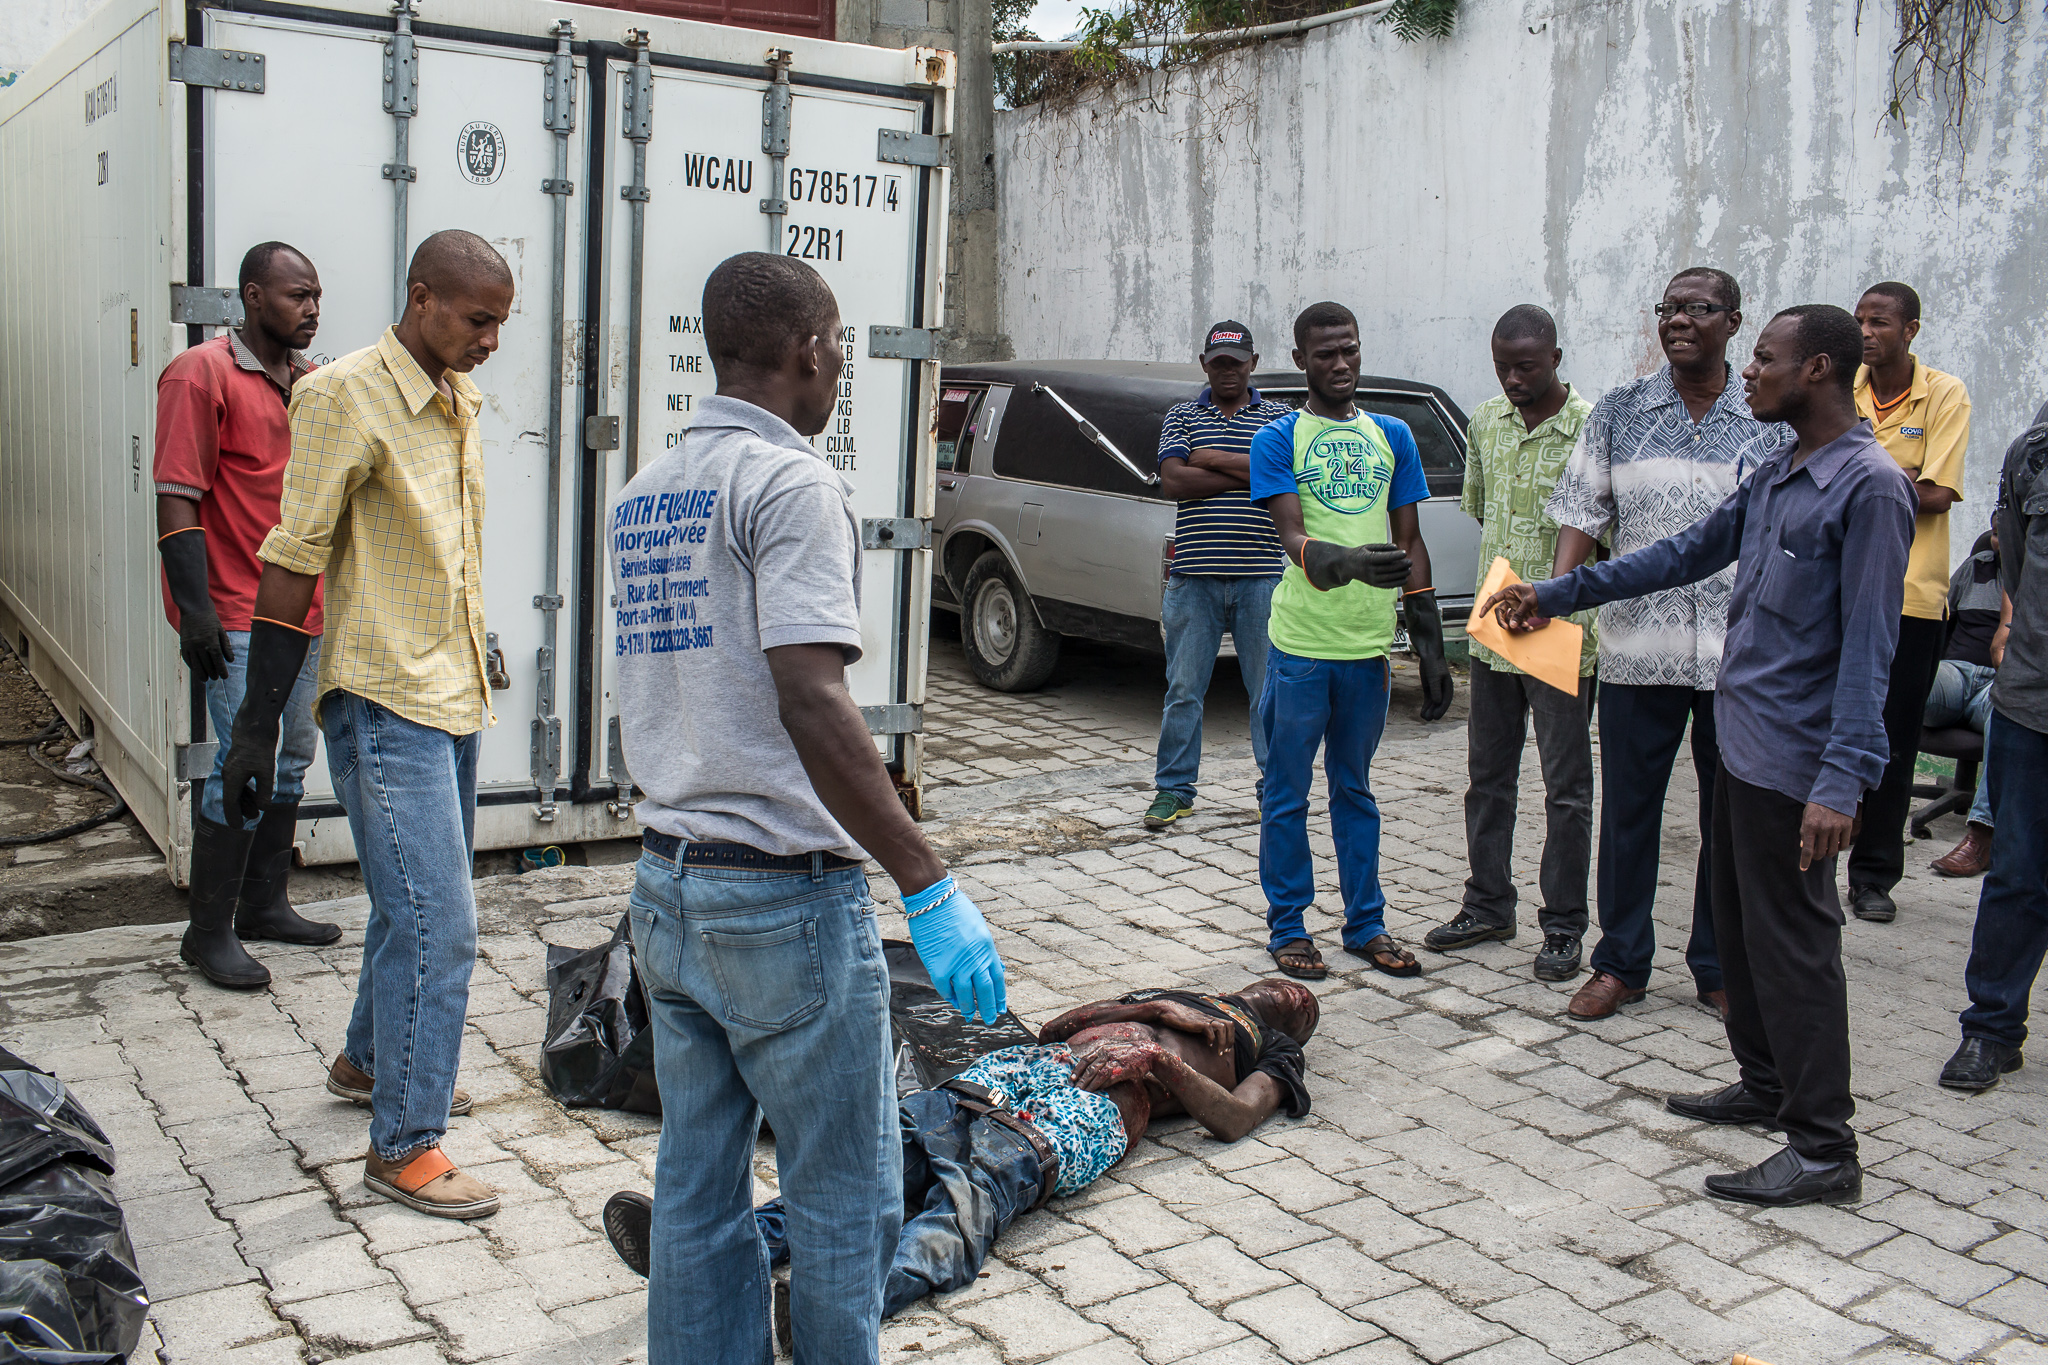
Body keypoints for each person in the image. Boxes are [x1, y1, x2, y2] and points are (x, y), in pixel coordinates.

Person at [604, 253, 1006, 1365]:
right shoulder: (791, 485)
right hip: (781, 902)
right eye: (836, 343)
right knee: (848, 1199)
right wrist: (927, 882)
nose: (840, 365)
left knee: (695, 1185)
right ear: (801, 350)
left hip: (667, 891)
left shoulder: (646, 493)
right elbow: (810, 696)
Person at [1487, 304, 1916, 1207]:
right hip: (1745, 747)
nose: (1751, 372)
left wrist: (1842, 782)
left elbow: (1872, 653)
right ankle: (1765, 1084)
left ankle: (1825, 1147)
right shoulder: (1778, 470)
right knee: (1745, 930)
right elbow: (1680, 553)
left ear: (1821, 370)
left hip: (1801, 766)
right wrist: (1560, 592)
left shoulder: (1869, 487)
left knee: (1797, 948)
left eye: (1768, 358)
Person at [220, 229, 516, 1219]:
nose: (490, 342)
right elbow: (293, 556)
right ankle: (405, 1147)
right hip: (382, 700)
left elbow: (446, 554)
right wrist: (256, 727)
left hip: (452, 692)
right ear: (422, 297)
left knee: (408, 908)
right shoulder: (343, 394)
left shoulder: (454, 398)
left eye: (499, 324)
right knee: (441, 924)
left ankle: (369, 1063)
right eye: (478, 321)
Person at [598, 980, 1318, 1314]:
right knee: (875, 1161)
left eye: (1300, 997)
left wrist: (1162, 1064)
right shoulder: (1185, 997)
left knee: (964, 1203)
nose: (1288, 989)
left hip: (1078, 1115)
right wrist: (1146, 1008)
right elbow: (1055, 1026)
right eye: (1286, 983)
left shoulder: (1274, 1052)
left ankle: (841, 1299)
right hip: (1012, 1071)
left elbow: (1232, 1119)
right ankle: (702, 1251)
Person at [1542, 267, 1790, 1022]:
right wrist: (1556, 601)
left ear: (1735, 321)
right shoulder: (1620, 411)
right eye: (1669, 308)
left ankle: (1718, 966)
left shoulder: (1769, 416)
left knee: (1729, 815)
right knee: (1628, 812)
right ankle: (1621, 962)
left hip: (1739, 657)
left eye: (1698, 308)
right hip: (1634, 647)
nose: (1679, 319)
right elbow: (1582, 512)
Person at [1247, 301, 1452, 982]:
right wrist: (1350, 564)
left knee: (1355, 790)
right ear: (1302, 359)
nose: (1340, 365)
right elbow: (1293, 537)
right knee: (1284, 793)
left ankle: (1365, 923)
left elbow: (1411, 541)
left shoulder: (1393, 434)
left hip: (1367, 652)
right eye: (1326, 354)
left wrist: (1428, 643)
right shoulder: (1279, 438)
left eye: (1350, 351)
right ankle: (1289, 926)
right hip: (1302, 648)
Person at [154, 241, 340, 989]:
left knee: (292, 755)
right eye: (298, 294)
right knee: (244, 757)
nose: (313, 308)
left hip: (303, 608)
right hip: (234, 610)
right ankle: (207, 933)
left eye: (318, 294)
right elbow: (176, 493)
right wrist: (194, 612)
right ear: (253, 296)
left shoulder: (313, 383)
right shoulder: (200, 374)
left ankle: (265, 905)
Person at [1425, 305, 1597, 982]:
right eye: (1502, 366)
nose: (1513, 378)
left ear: (1556, 357)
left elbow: (1602, 530)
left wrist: (1550, 591)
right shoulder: (1485, 421)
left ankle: (1563, 926)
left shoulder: (1590, 427)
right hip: (1496, 626)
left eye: (1525, 366)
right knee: (1488, 778)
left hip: (1559, 627)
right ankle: (1488, 902)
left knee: (1566, 788)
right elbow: (1481, 508)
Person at [1844, 282, 1971, 923]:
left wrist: (1852, 489)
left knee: (1891, 742)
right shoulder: (1842, 386)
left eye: (1881, 322)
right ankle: (1808, 857)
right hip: (1837, 592)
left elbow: (1938, 493)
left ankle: (1872, 876)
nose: (1867, 332)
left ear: (1911, 330)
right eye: (1860, 320)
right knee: (1821, 730)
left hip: (1909, 599)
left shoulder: (1943, 394)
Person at [1939, 397, 2048, 1093]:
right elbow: (2011, 555)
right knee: (2017, 872)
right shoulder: (2034, 451)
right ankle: (1991, 1029)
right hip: (2033, 699)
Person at [1144, 322, 1292, 829]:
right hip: (1194, 578)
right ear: (1205, 364)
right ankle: (1173, 791)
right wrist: (1246, 466)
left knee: (1266, 692)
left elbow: (1283, 476)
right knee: (1183, 691)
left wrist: (1205, 457)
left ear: (1253, 361)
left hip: (1261, 578)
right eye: (1218, 362)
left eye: (1237, 361)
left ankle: (1272, 791)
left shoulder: (1279, 417)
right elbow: (1173, 481)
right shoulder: (1183, 413)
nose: (1228, 370)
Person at [1923, 527, 2012, 877]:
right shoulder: (1977, 565)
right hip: (1956, 673)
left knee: (2008, 716)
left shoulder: (2035, 573)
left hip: (1997, 686)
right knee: (1904, 687)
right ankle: (1859, 806)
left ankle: (1981, 836)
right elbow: (1943, 620)